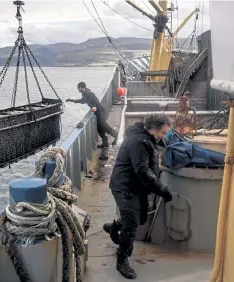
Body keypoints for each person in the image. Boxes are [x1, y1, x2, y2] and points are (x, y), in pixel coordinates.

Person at [103, 114, 174, 279]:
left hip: (136, 187)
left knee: (141, 217)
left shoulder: (146, 138)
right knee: (132, 222)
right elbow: (142, 170)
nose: (163, 136)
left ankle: (114, 226)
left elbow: (153, 150)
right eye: (163, 133)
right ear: (154, 129)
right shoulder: (139, 143)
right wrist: (161, 189)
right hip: (124, 186)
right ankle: (122, 260)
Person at [66, 82, 118, 148]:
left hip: (100, 111)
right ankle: (105, 143)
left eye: (78, 88)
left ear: (81, 87)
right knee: (99, 128)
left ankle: (116, 135)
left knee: (103, 126)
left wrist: (95, 107)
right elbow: (82, 101)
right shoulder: (84, 94)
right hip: (97, 113)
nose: (78, 89)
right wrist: (72, 100)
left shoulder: (89, 93)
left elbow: (96, 100)